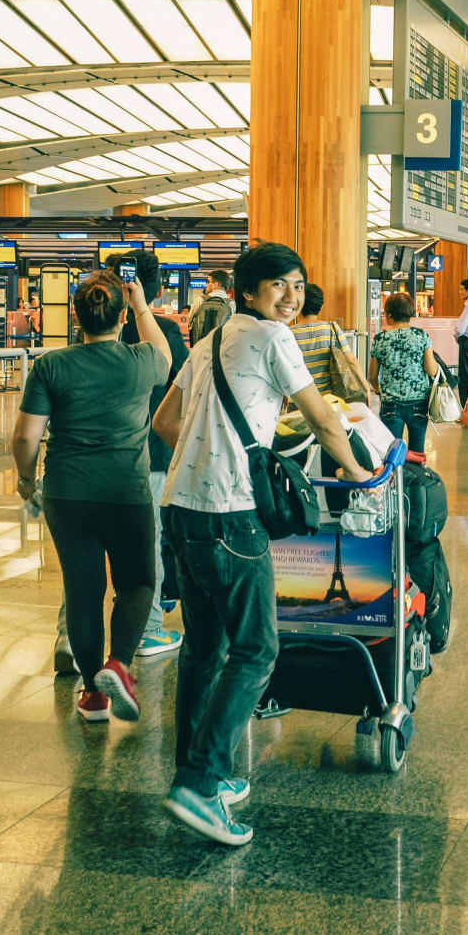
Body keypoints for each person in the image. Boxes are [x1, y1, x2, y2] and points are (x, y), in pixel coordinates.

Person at [152, 242, 369, 847]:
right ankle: (200, 782)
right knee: (255, 650)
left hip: (181, 506)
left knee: (203, 648)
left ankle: (197, 775)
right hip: (229, 514)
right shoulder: (275, 339)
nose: (292, 297)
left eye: (298, 285)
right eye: (279, 285)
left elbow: (166, 425)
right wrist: (357, 473)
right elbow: (325, 419)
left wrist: (207, 456)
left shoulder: (206, 342)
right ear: (249, 291)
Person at [10, 269, 174, 725]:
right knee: (139, 582)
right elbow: (163, 352)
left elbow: (25, 437)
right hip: (127, 490)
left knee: (83, 591)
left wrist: (26, 481)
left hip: (67, 492)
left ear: (76, 318)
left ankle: (92, 695)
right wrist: (141, 304)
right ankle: (118, 664)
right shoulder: (141, 360)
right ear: (120, 317)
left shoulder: (51, 365)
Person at [368, 291, 440, 451]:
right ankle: (418, 476)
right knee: (417, 449)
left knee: (392, 451)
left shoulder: (380, 338)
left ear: (389, 314)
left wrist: (379, 391)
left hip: (391, 403)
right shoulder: (421, 336)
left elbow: (372, 376)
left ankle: (397, 476)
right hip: (419, 402)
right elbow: (431, 370)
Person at [289, 283, 365, 400]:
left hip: (299, 400)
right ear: (322, 305)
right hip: (327, 399)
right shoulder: (332, 328)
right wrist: (366, 388)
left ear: (299, 304)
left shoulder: (289, 333)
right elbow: (351, 361)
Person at [188, 269, 233, 345]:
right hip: (223, 350)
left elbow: (190, 325)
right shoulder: (232, 304)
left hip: (201, 348)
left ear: (215, 284)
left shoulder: (200, 301)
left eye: (208, 282)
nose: (206, 285)